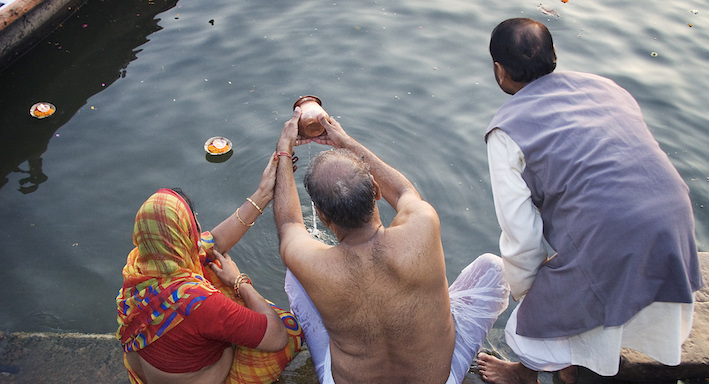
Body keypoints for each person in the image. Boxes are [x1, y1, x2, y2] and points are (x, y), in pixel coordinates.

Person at [477, 17, 703, 384]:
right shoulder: (605, 87)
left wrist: (529, 295)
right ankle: (573, 363)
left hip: (615, 235)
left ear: (499, 71)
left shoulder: (506, 131)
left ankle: (529, 372)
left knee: (533, 320)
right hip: (674, 220)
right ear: (554, 55)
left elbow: (521, 238)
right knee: (584, 283)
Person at [272, 107, 510, 383]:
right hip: (441, 377)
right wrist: (344, 141)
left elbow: (290, 224)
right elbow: (404, 191)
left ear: (322, 216)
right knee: (493, 267)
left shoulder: (311, 263)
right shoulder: (422, 224)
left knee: (296, 275)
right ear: (375, 190)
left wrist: (284, 150)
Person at [115, 154, 304, 384]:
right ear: (184, 233)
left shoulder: (139, 265)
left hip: (145, 375)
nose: (198, 229)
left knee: (209, 261)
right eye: (193, 222)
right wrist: (239, 281)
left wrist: (263, 193)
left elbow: (211, 242)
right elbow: (276, 338)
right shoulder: (196, 301)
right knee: (290, 330)